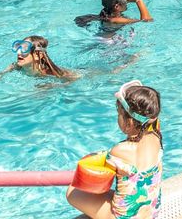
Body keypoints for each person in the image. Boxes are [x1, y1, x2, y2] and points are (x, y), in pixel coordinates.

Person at [66, 80, 162, 219]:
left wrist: (93, 157)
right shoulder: (156, 136)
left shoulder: (119, 151)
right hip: (151, 211)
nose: (118, 117)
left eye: (119, 114)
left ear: (129, 122)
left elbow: (99, 181)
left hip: (123, 217)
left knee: (73, 192)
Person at [0, 36, 75, 80]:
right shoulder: (18, 66)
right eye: (18, 47)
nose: (19, 52)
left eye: (25, 49)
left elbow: (74, 78)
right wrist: (0, 75)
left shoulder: (46, 74)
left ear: (38, 54)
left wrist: (52, 87)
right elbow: (11, 66)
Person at [88, 0, 153, 25]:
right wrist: (138, 0)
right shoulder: (116, 20)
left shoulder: (108, 15)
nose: (127, 1)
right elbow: (147, 21)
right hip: (109, 45)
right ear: (117, 6)